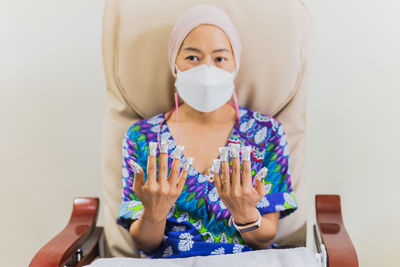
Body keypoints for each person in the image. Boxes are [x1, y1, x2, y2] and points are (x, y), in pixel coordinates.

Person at [116, 5, 297, 259]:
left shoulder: (266, 133)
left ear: (235, 65)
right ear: (174, 64)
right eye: (192, 58)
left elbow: (264, 238)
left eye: (220, 58)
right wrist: (154, 213)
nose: (207, 69)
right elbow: (145, 243)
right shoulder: (143, 137)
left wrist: (244, 213)